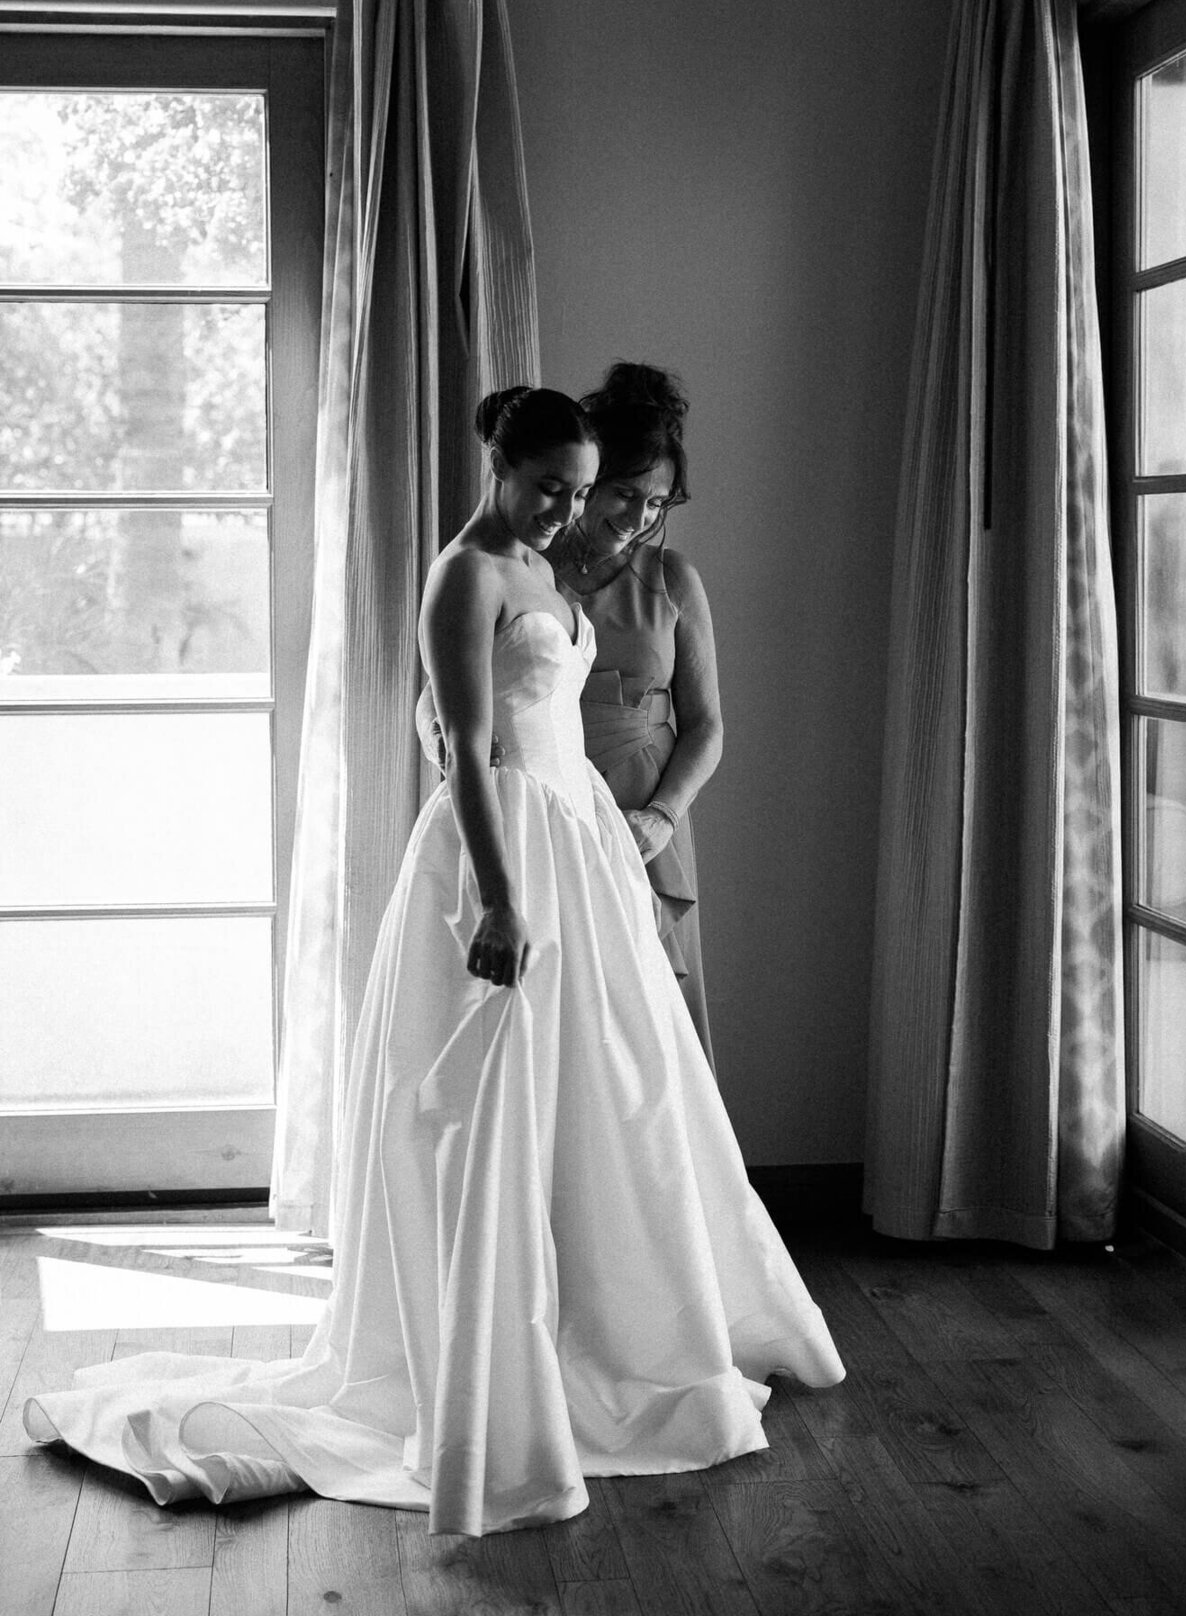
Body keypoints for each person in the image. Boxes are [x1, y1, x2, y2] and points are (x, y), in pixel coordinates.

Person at [24, 386, 844, 1538]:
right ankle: (489, 1367)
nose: (568, 510)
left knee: (623, 1102)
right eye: (551, 487)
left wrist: (608, 838)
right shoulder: (468, 572)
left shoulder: (545, 567)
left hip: (580, 842)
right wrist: (503, 901)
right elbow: (464, 742)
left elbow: (537, 707)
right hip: (502, 858)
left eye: (583, 489)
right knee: (487, 1115)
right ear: (500, 466)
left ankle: (621, 1327)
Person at [549, 361, 719, 1066]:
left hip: (643, 813)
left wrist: (662, 817)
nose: (639, 517)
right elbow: (447, 689)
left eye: (657, 503)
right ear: (588, 481)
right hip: (549, 800)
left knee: (648, 1029)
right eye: (624, 494)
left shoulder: (674, 578)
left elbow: (706, 725)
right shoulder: (527, 568)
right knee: (562, 1009)